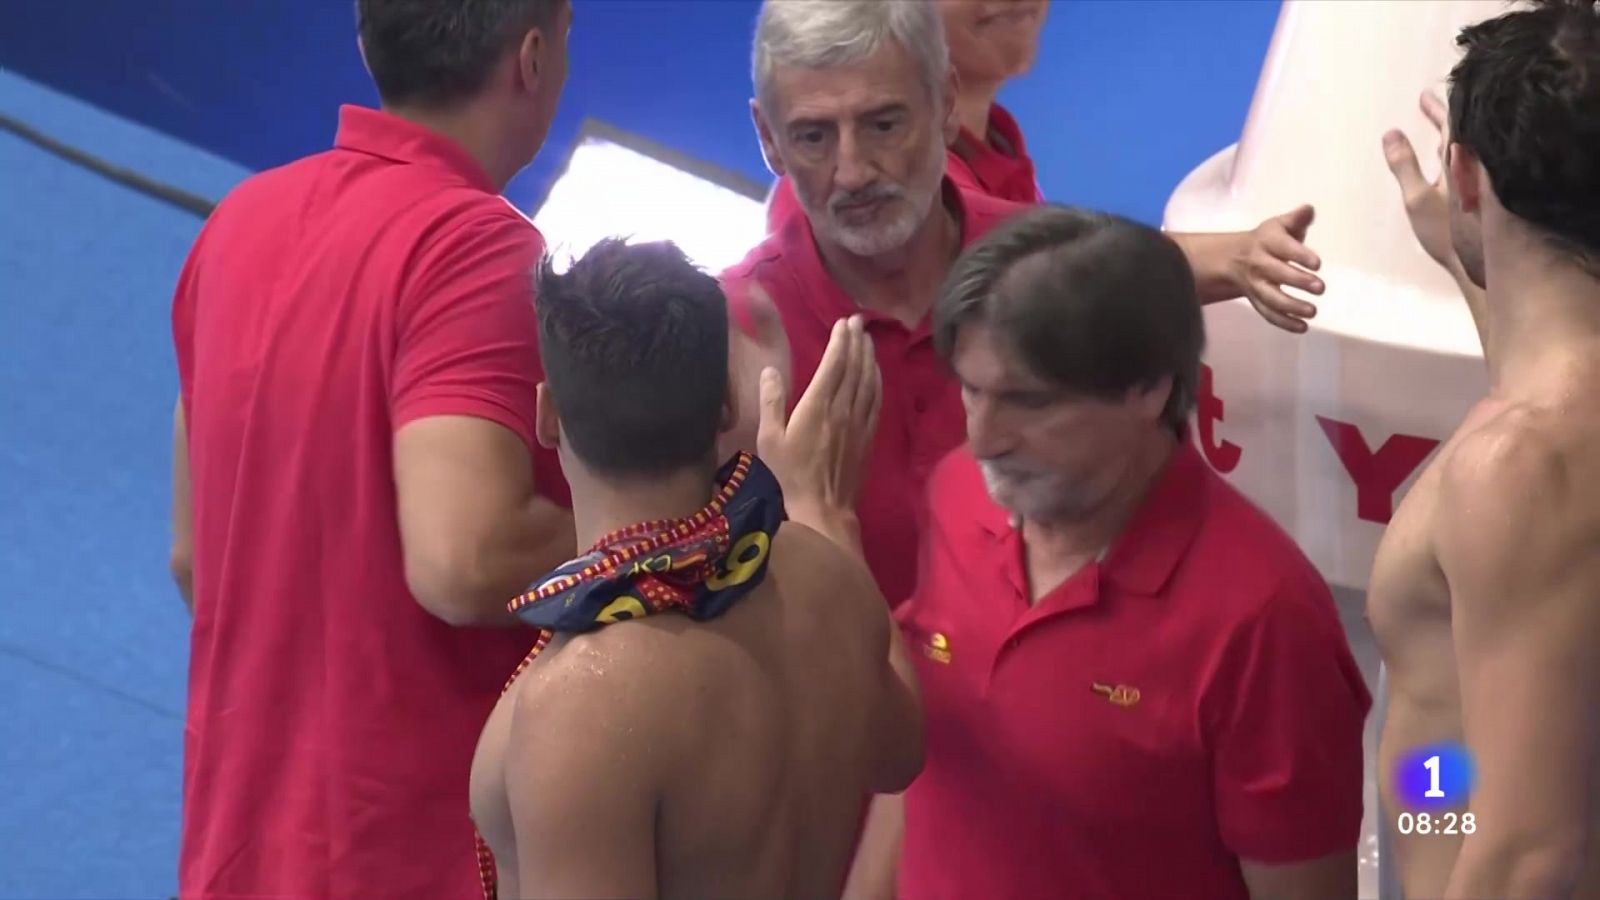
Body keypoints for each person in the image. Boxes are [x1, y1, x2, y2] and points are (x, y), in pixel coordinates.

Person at [724, 0, 1326, 610]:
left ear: (945, 103)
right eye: (813, 136)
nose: (851, 172)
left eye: (883, 125)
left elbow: (1111, 271)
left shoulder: (1033, 257)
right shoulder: (734, 340)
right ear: (769, 139)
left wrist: (1241, 257)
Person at [168, 2, 574, 897]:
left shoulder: (235, 223)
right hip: (410, 859)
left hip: (235, 851)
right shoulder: (478, 247)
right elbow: (464, 560)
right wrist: (658, 517)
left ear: (367, 43)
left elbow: (196, 556)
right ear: (535, 57)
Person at [859, 205, 1371, 899]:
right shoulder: (957, 495)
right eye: (973, 391)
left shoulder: (1265, 622)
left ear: (1149, 389)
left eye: (1029, 402)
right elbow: (928, 771)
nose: (983, 439)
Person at [468, 238, 922, 899]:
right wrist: (826, 512)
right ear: (727, 405)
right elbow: (901, 752)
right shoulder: (825, 574)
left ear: (546, 415)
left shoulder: (584, 701)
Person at [1372, 1, 1600, 896]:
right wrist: (1474, 267)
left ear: (1463, 173)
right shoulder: (1548, 429)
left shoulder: (1518, 467)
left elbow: (1529, 850)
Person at [757, 0, 1329, 334]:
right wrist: (1239, 255)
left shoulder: (998, 144)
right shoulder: (852, 206)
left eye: (882, 124)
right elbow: (1032, 259)